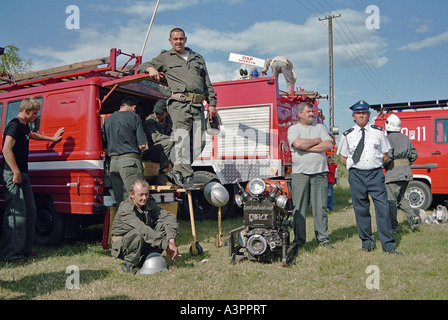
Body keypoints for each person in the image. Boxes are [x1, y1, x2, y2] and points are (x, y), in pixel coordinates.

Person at [137, 27, 217, 190]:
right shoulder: (166, 57)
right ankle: (186, 175)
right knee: (182, 139)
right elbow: (141, 66)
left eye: (181, 39)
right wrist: (151, 69)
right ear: (170, 41)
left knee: (200, 142)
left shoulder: (197, 59)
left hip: (198, 105)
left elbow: (207, 83)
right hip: (179, 104)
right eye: (175, 39)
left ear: (185, 39)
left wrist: (212, 104)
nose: (178, 42)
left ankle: (177, 170)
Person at [0, 97, 64, 263]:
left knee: (30, 210)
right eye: (35, 113)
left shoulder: (24, 126)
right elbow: (6, 149)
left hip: (24, 174)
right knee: (17, 214)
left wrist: (52, 139)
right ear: (26, 110)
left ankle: (25, 249)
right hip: (12, 174)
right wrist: (15, 171)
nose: (37, 116)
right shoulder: (14, 125)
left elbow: (32, 135)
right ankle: (11, 254)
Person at [338, 100, 402, 254]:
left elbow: (385, 154)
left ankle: (388, 245)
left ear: (368, 115)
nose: (361, 115)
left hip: (375, 175)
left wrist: (376, 166)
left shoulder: (378, 132)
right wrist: (354, 166)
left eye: (364, 113)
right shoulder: (347, 135)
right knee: (361, 210)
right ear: (353, 116)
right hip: (357, 176)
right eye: (358, 113)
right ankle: (367, 243)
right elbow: (342, 157)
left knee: (383, 209)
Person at [287, 102, 334, 255]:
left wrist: (306, 147)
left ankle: (323, 239)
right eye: (308, 111)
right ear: (299, 114)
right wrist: (316, 141)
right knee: (299, 208)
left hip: (319, 172)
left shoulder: (320, 127)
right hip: (300, 173)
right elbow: (297, 143)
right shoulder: (293, 129)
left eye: (312, 111)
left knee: (320, 207)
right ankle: (300, 240)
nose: (312, 114)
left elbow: (328, 145)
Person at [110, 179, 179, 273]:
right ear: (131, 195)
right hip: (124, 244)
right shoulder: (125, 209)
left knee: (162, 227)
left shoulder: (148, 202)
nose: (144, 198)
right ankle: (129, 264)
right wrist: (166, 245)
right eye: (141, 195)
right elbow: (142, 229)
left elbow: (169, 217)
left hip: (142, 238)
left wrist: (171, 239)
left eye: (146, 194)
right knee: (137, 234)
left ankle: (147, 259)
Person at [102, 96, 147, 207]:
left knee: (120, 200)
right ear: (134, 107)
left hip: (113, 164)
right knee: (137, 198)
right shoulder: (134, 117)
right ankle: (136, 223)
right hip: (130, 162)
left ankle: (123, 223)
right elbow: (142, 145)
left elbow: (103, 147)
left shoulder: (108, 120)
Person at [383, 114, 421, 232]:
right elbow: (414, 154)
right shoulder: (406, 138)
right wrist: (406, 163)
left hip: (393, 174)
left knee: (391, 201)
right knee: (401, 198)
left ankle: (393, 227)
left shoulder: (388, 139)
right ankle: (413, 216)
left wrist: (384, 165)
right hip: (406, 173)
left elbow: (388, 156)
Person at [142, 99, 174, 172]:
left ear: (167, 113)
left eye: (160, 113)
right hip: (151, 151)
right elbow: (155, 137)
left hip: (165, 149)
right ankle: (163, 171)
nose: (157, 115)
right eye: (156, 113)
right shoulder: (150, 121)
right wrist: (173, 139)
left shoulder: (171, 121)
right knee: (170, 142)